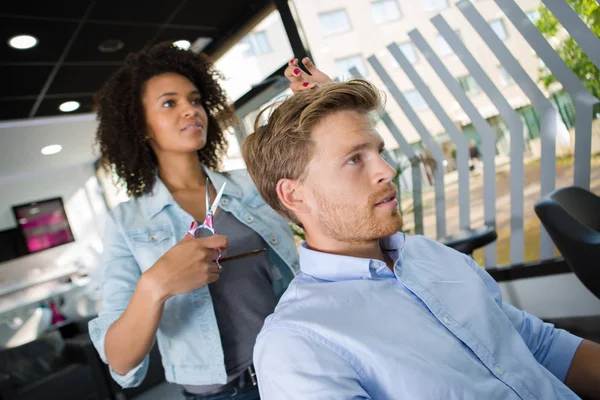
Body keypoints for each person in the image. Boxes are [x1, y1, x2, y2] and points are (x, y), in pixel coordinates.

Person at [242, 78, 600, 399]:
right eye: (354, 159)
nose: (386, 170)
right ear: (294, 195)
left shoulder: (430, 255)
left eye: (378, 152)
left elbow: (535, 345)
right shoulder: (296, 344)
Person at [88, 42, 302, 400]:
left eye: (195, 99)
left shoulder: (248, 184)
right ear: (141, 126)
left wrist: (320, 105)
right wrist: (155, 285)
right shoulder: (127, 222)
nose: (191, 110)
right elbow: (121, 361)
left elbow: (326, 193)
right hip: (220, 395)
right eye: (170, 103)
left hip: (294, 369)